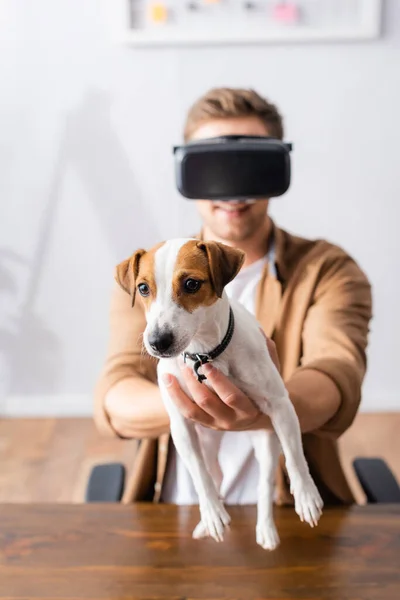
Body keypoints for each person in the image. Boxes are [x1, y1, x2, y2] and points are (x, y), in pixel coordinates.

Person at [94, 87, 372, 506]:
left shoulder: (327, 270)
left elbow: (336, 374)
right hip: (175, 506)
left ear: (278, 169)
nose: (232, 190)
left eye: (249, 167)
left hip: (287, 511)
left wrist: (266, 403)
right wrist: (196, 403)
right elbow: (116, 397)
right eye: (212, 167)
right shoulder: (148, 272)